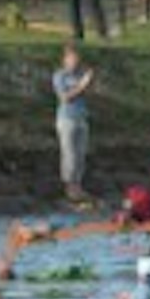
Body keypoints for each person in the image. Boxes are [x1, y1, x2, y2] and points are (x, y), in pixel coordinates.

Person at [52, 45, 95, 203]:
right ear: (65, 59)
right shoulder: (59, 76)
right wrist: (82, 85)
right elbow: (64, 98)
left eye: (77, 59)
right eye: (72, 59)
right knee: (69, 154)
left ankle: (78, 186)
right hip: (66, 119)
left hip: (81, 119)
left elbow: (86, 95)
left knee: (80, 154)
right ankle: (69, 187)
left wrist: (88, 84)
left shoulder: (80, 75)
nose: (75, 62)